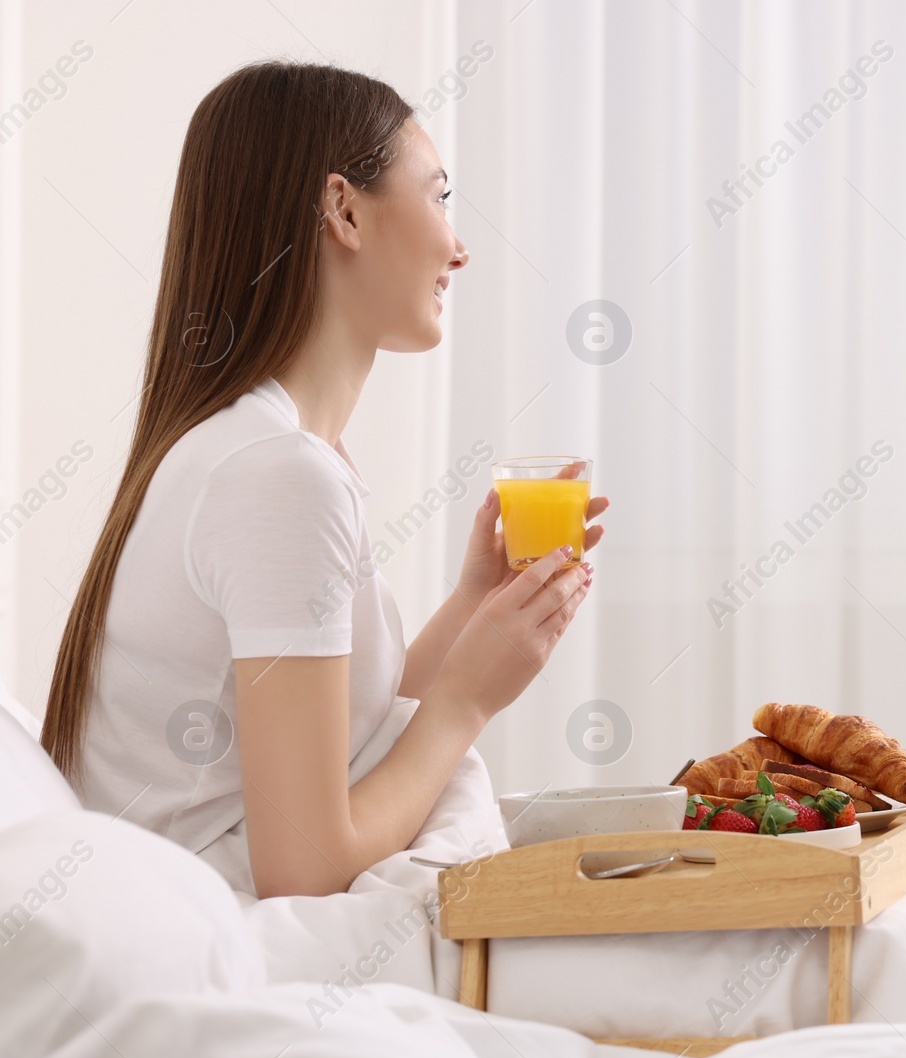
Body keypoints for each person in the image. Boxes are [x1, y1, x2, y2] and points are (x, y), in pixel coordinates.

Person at [40, 61, 603, 898]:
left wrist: (471, 609)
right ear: (343, 209)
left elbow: (334, 743)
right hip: (223, 948)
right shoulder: (277, 476)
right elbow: (304, 868)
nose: (460, 244)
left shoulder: (266, 452)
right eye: (440, 197)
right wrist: (467, 703)